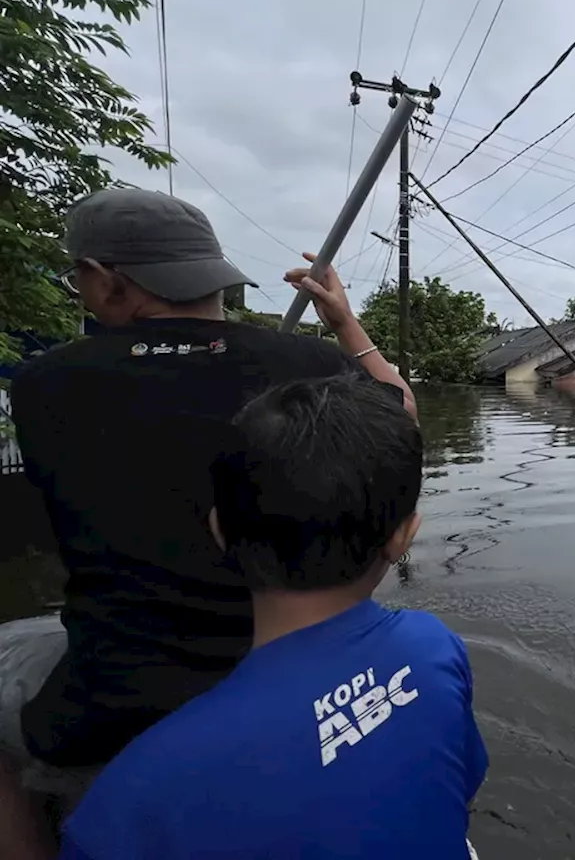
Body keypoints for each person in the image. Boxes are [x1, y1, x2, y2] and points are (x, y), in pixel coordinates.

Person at [0, 188, 416, 858]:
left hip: (117, 692)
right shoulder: (314, 369)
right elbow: (400, 417)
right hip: (280, 667)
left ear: (105, 282)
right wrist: (344, 325)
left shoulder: (44, 383)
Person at [58, 375, 487, 858]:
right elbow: (459, 789)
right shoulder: (433, 646)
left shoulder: (128, 800)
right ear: (403, 536)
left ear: (219, 529)